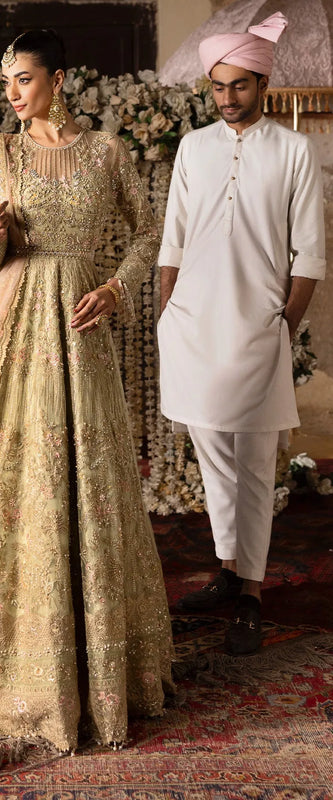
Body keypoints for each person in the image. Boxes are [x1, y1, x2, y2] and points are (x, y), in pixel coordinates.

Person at [0, 29, 174, 752]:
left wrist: (115, 287)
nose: (10, 94)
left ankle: (90, 670)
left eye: (22, 79)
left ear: (58, 79)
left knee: (83, 482)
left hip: (78, 331)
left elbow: (149, 233)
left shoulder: (106, 151)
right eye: (4, 81)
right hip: (6, 328)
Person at [157, 12, 326, 655]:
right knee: (213, 458)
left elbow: (308, 255)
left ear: (264, 80)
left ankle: (250, 591)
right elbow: (173, 238)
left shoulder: (294, 151)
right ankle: (227, 571)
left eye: (240, 85)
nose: (228, 98)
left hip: (257, 327)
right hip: (192, 326)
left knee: (254, 464)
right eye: (218, 86)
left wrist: (279, 324)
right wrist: (169, 312)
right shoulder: (193, 147)